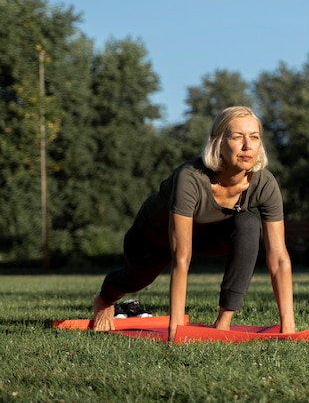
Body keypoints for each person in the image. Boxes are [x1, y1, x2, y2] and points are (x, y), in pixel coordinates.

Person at [93, 106, 296, 342]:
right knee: (136, 279)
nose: (247, 146)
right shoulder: (190, 178)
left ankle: (223, 321)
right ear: (218, 142)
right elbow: (182, 256)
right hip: (153, 238)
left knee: (248, 224)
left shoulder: (264, 183)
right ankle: (105, 298)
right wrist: (176, 330)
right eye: (237, 137)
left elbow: (279, 258)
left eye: (254, 137)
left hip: (209, 237)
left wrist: (288, 325)